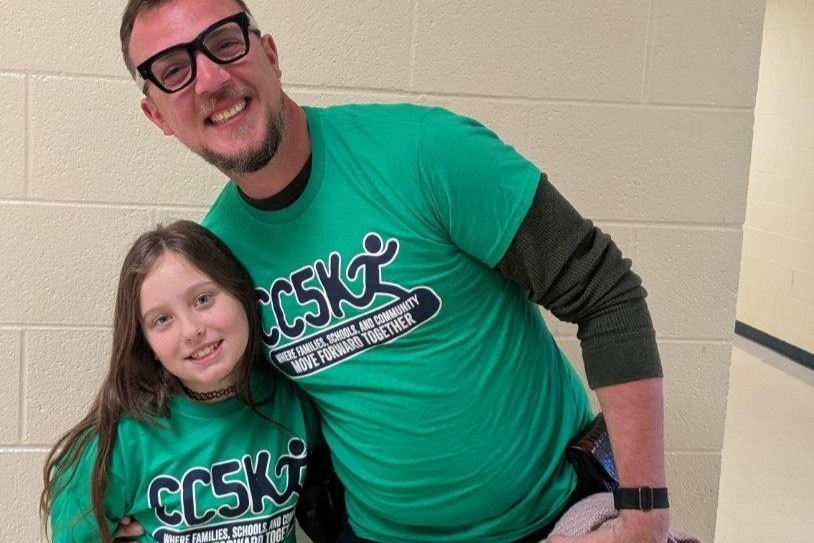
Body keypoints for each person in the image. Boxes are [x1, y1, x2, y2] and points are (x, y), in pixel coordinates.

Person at [119, 1, 671, 542]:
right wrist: (146, 508)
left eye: (225, 43)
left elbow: (606, 292)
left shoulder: (426, 151)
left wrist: (643, 520)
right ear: (157, 116)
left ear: (270, 54)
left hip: (554, 517)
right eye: (174, 70)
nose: (211, 78)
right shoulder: (216, 265)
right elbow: (221, 404)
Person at [41, 220, 319, 542]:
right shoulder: (120, 442)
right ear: (147, 344)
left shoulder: (295, 401)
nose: (191, 331)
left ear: (240, 293)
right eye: (162, 319)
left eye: (203, 299)